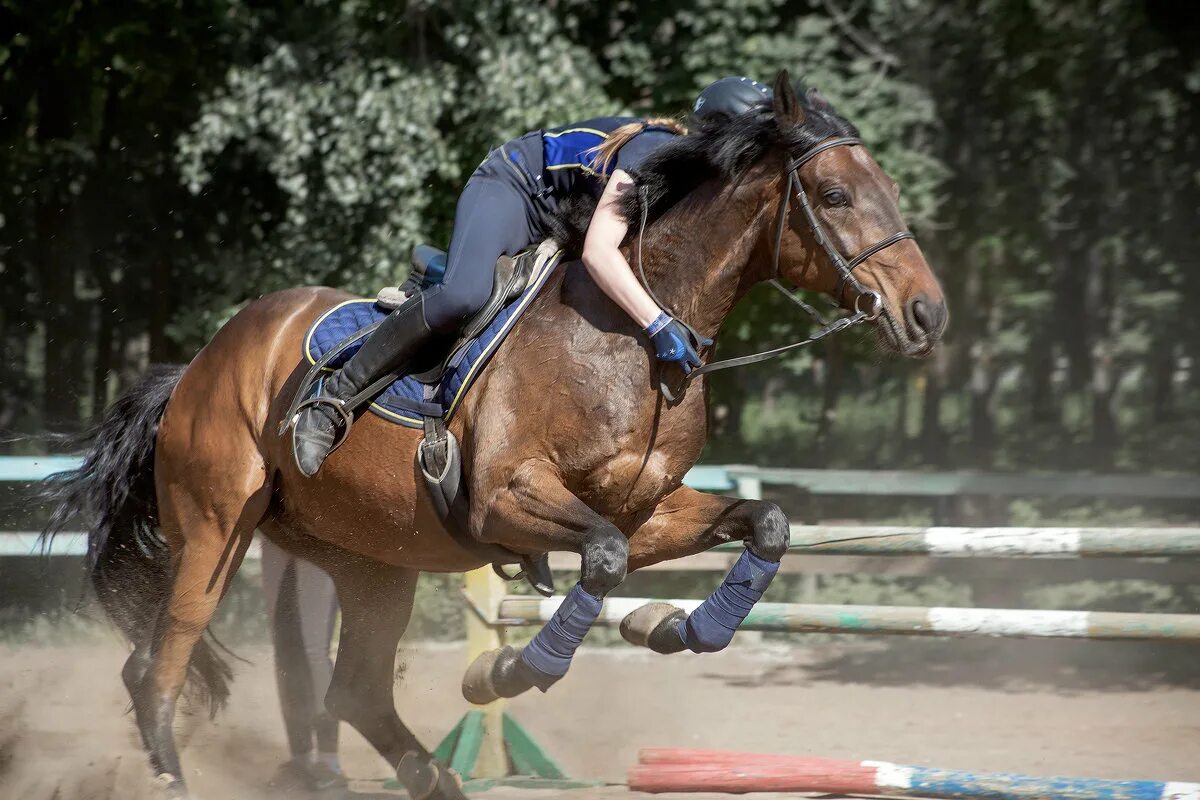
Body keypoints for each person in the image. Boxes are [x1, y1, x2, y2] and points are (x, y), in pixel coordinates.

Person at [292, 76, 773, 476]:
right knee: (463, 294)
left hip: (562, 219)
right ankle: (330, 400)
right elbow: (600, 254)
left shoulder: (695, 188)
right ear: (722, 137)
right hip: (515, 187)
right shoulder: (655, 151)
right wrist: (657, 323)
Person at [260, 537, 347, 793]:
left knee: (314, 650)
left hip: (318, 534)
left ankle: (329, 761)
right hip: (274, 531)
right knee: (284, 652)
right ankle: (300, 758)